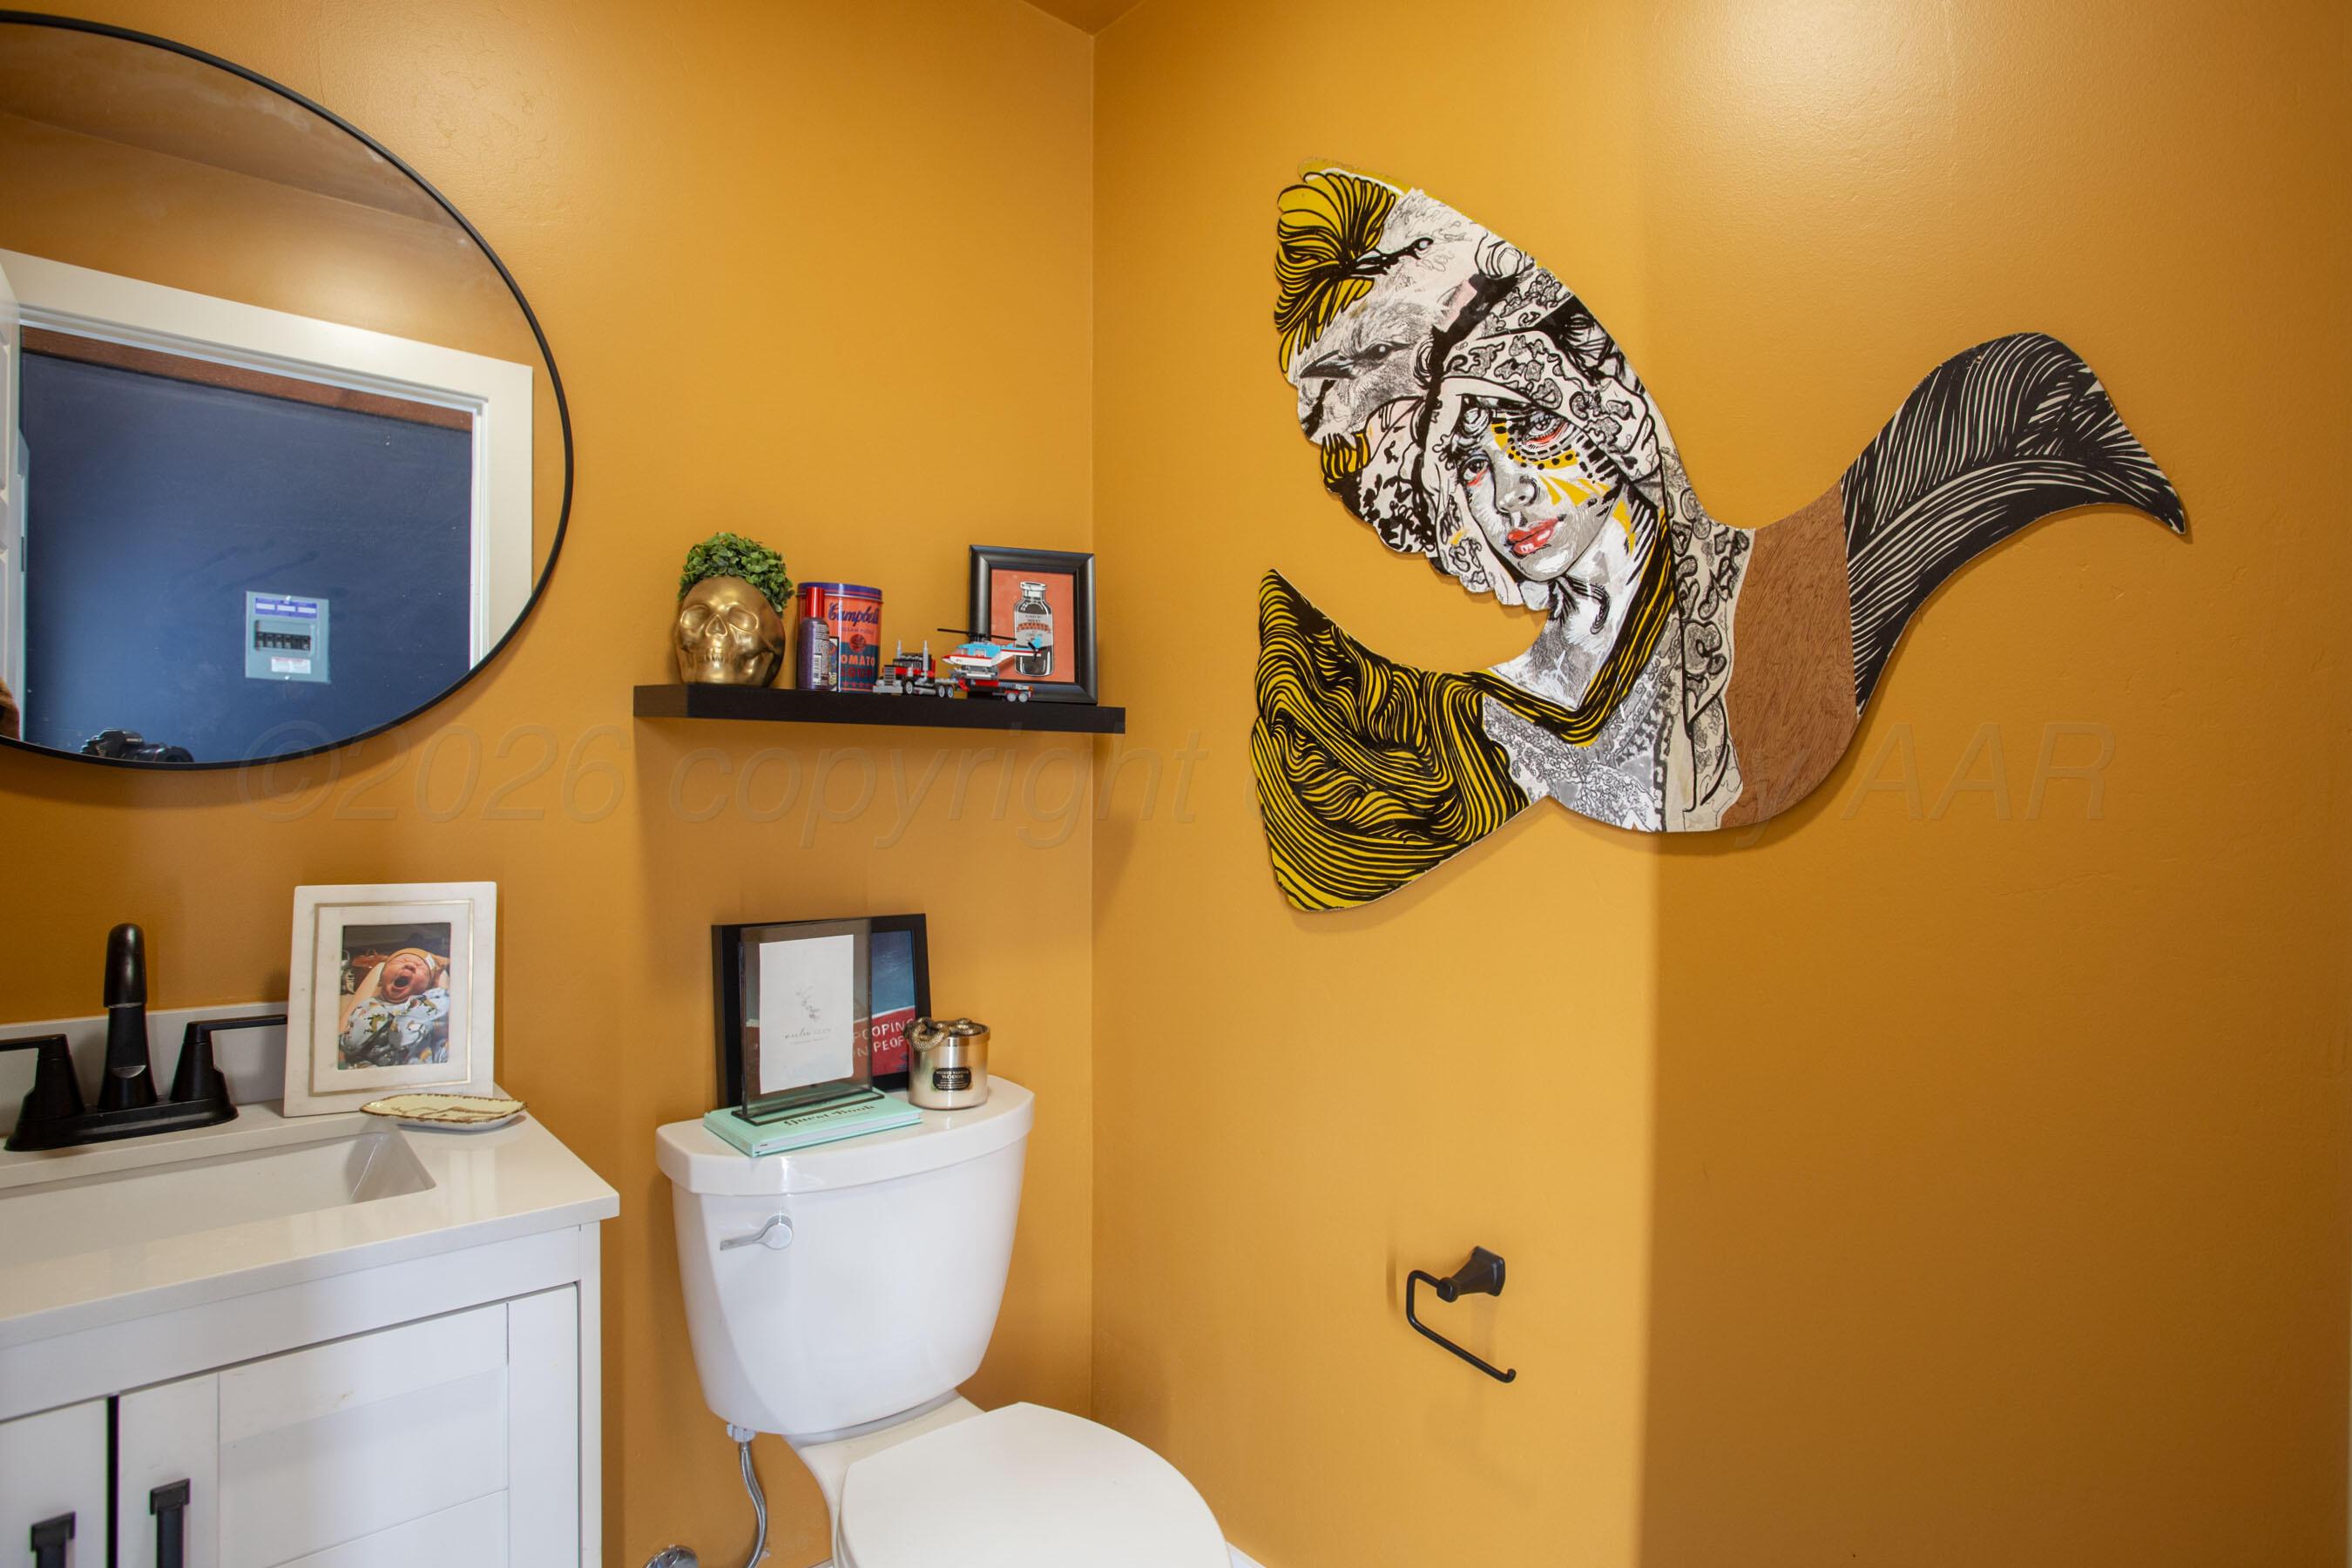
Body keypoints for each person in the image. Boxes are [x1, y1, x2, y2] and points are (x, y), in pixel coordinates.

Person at [338, 946, 452, 1067]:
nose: (410, 965)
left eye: (421, 967)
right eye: (400, 961)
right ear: (381, 979)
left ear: (427, 986)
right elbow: (349, 1044)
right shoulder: (368, 1005)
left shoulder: (431, 1001)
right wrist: (377, 1014)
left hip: (422, 1063)